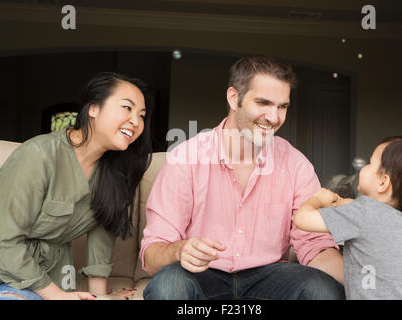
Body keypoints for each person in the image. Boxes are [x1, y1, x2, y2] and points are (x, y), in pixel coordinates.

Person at [140, 55, 345, 300]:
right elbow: (152, 256)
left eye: (282, 106)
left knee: (322, 289)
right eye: (263, 103)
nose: (274, 117)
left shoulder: (295, 163)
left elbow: (314, 245)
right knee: (169, 285)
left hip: (271, 277)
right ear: (233, 97)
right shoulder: (185, 158)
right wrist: (179, 250)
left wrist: (369, 282)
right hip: (201, 275)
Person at [0, 72, 154, 300]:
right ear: (93, 109)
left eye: (142, 115)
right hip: (4, 275)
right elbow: (3, 241)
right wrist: (57, 296)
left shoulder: (114, 174)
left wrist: (99, 297)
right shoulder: (38, 155)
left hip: (53, 278)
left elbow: (101, 238)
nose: (136, 121)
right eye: (127, 108)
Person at [294, 136, 402, 299]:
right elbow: (365, 215)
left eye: (370, 163)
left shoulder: (362, 213)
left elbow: (302, 219)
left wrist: (317, 198)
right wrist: (341, 202)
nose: (364, 168)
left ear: (383, 183)